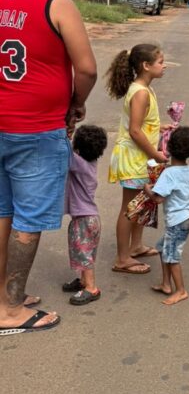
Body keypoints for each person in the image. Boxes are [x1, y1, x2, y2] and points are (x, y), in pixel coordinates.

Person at [0, 0, 97, 335]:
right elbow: (87, 68)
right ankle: (10, 310)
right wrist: (76, 104)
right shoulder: (57, 5)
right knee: (27, 219)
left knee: (3, 212)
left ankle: (5, 296)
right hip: (36, 129)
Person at [105, 43, 168, 274]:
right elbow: (134, 130)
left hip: (141, 158)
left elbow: (144, 124)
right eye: (161, 62)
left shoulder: (145, 88)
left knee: (141, 203)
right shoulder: (140, 92)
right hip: (134, 158)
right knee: (129, 208)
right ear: (146, 65)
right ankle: (122, 258)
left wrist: (161, 127)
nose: (164, 66)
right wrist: (155, 154)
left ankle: (136, 246)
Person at [149, 126, 189, 305]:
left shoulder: (169, 173)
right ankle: (165, 284)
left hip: (177, 221)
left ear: (169, 147)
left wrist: (147, 189)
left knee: (172, 255)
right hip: (185, 218)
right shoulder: (188, 170)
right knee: (162, 248)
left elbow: (158, 199)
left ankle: (181, 290)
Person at [62, 124, 108, 306]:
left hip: (84, 220)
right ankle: (82, 281)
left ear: (78, 147)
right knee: (85, 252)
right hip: (90, 218)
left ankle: (91, 287)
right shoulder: (90, 163)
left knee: (84, 254)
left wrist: (64, 133)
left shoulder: (78, 163)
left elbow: (64, 150)